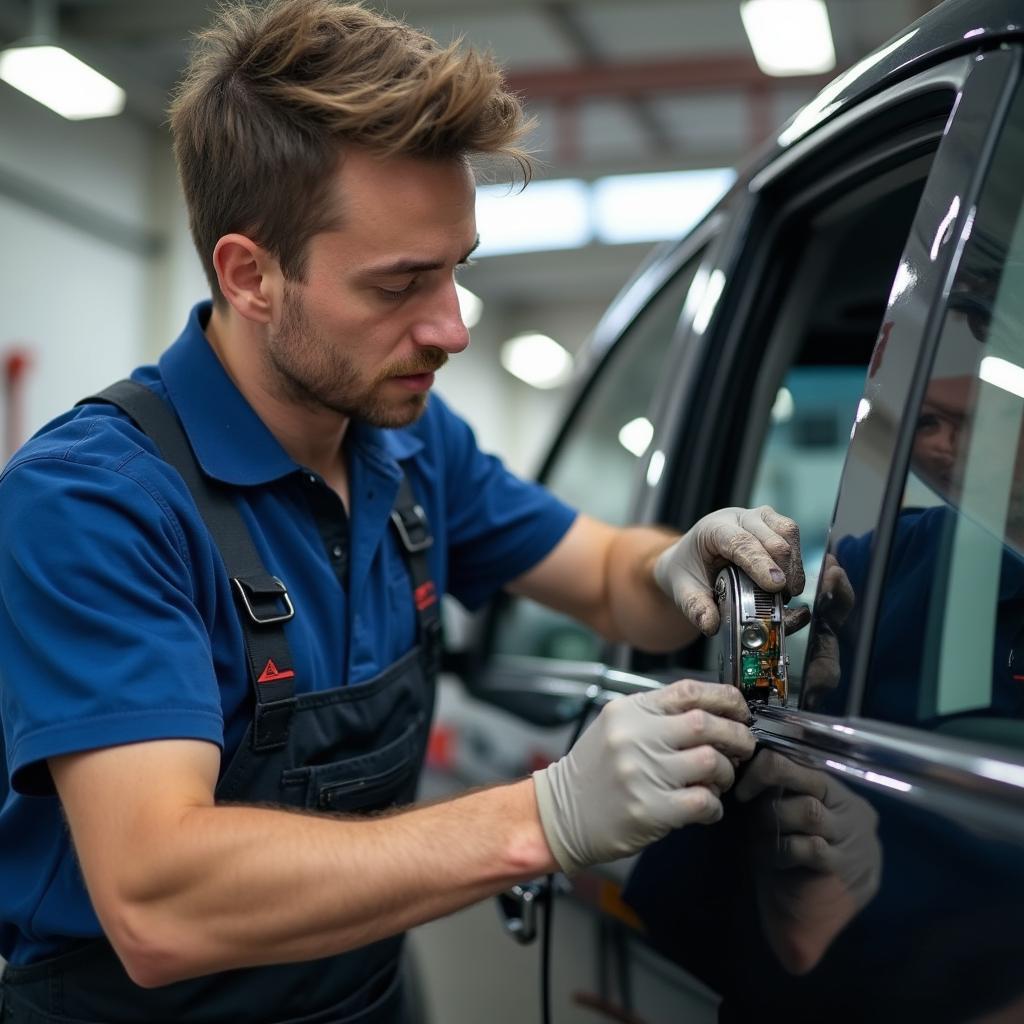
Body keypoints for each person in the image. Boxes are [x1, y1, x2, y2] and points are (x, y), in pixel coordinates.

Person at [0, 2, 805, 1021]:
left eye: (457, 268)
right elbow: (158, 898)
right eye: (400, 284)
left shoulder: (411, 445)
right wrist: (545, 814)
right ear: (250, 275)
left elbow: (604, 577)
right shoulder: (96, 501)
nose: (452, 327)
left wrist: (684, 564)